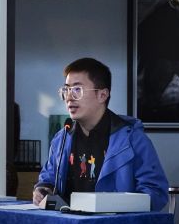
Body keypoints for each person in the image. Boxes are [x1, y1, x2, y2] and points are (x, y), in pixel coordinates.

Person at [33, 58, 169, 211]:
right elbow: (47, 179)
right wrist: (42, 189)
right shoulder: (62, 138)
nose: (69, 97)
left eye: (77, 90)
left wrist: (114, 206)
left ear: (102, 95)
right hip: (68, 223)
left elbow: (156, 193)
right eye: (66, 90)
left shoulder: (132, 139)